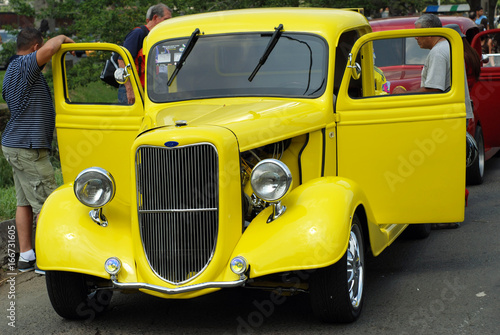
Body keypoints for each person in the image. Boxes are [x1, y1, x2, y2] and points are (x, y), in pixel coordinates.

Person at [1, 27, 75, 272]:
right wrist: (64, 38)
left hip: (16, 145)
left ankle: (27, 256)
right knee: (48, 203)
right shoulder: (24, 65)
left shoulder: (14, 70)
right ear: (35, 48)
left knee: (23, 203)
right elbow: (52, 47)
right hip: (28, 149)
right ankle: (49, 259)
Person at [118, 3, 172, 104]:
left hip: (151, 91)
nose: (169, 23)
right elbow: (122, 61)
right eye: (166, 19)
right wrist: (129, 90)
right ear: (155, 17)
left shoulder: (157, 37)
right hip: (134, 90)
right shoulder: (138, 33)